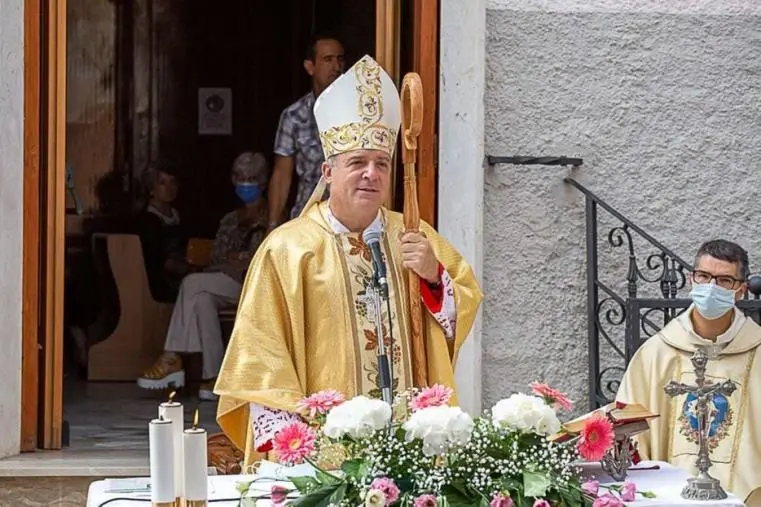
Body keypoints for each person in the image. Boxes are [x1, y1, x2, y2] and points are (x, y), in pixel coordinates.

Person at [214, 55, 483, 466]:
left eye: (381, 164)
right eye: (357, 163)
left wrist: (433, 276)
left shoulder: (413, 234)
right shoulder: (287, 249)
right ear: (328, 172)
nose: (370, 174)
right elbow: (260, 357)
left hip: (409, 447)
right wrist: (294, 451)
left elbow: (462, 304)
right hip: (323, 453)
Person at [617, 239, 761, 505]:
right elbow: (629, 427)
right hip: (669, 498)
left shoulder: (757, 351)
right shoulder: (657, 353)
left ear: (740, 290)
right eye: (704, 276)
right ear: (691, 279)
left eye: (724, 281)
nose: (711, 287)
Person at [137, 152, 270, 401]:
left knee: (192, 283)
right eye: (240, 177)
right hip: (225, 283)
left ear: (263, 181)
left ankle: (173, 355)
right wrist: (238, 259)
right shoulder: (230, 220)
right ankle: (214, 377)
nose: (246, 183)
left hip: (255, 285)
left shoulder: (273, 216)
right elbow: (218, 257)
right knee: (201, 300)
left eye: (252, 178)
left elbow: (261, 259)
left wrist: (239, 260)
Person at [266, 34, 345, 232]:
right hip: (307, 219)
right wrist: (273, 225)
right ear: (310, 67)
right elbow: (281, 175)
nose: (336, 67)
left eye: (340, 59)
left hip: (349, 221)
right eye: (328, 60)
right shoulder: (294, 116)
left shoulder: (358, 112)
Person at [136, 164, 192, 302]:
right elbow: (156, 260)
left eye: (173, 182)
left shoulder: (180, 215)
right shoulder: (147, 220)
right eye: (162, 183)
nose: (169, 188)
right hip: (160, 282)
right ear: (151, 189)